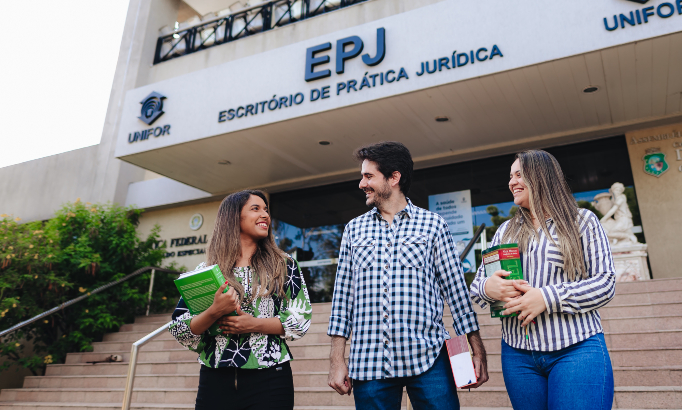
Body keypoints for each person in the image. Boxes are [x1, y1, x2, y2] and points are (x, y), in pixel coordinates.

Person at [327, 141, 488, 410]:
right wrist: (336, 360)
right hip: (369, 362)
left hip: (429, 358)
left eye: (369, 176)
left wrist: (476, 350)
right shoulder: (353, 231)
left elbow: (457, 294)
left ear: (394, 178)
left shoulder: (433, 225)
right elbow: (343, 299)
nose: (361, 183)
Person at [470, 150, 616, 410]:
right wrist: (489, 287)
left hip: (577, 349)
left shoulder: (582, 221)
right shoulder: (505, 230)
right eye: (510, 176)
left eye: (518, 175)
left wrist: (547, 298)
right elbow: (478, 285)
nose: (511, 182)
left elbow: (605, 283)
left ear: (541, 177)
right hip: (518, 355)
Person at [169, 190, 312, 410]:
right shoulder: (205, 270)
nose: (265, 214)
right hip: (214, 379)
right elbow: (181, 328)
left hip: (271, 378)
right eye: (256, 209)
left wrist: (253, 324)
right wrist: (214, 311)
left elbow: (300, 318)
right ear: (233, 217)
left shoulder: (284, 264)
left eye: (266, 209)